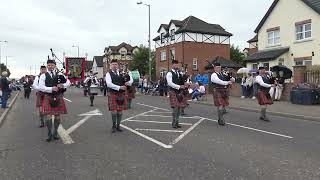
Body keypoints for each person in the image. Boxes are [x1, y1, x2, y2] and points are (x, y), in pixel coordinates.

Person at [38, 59, 70, 142]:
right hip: (48, 96)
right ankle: (49, 133)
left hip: (58, 96)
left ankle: (55, 132)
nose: (50, 66)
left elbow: (68, 82)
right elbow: (40, 87)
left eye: (52, 65)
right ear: (47, 66)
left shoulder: (60, 74)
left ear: (55, 65)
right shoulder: (43, 75)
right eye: (49, 65)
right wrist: (51, 88)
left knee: (57, 116)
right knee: (48, 115)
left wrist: (63, 85)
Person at [105, 59, 132, 133]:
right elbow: (109, 84)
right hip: (112, 93)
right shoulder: (108, 74)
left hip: (121, 94)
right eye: (113, 64)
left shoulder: (122, 73)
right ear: (110, 66)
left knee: (120, 111)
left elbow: (130, 80)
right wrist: (119, 87)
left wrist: (128, 83)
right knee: (114, 111)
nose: (114, 66)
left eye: (116, 64)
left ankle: (118, 126)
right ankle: (113, 126)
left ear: (118, 65)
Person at [166, 60, 187, 129]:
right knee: (175, 107)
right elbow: (170, 83)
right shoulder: (169, 73)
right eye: (175, 64)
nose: (177, 65)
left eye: (177, 64)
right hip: (173, 91)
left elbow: (182, 81)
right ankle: (174, 123)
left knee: (178, 108)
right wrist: (179, 86)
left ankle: (177, 122)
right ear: (172, 65)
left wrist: (185, 84)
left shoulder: (179, 73)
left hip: (179, 92)